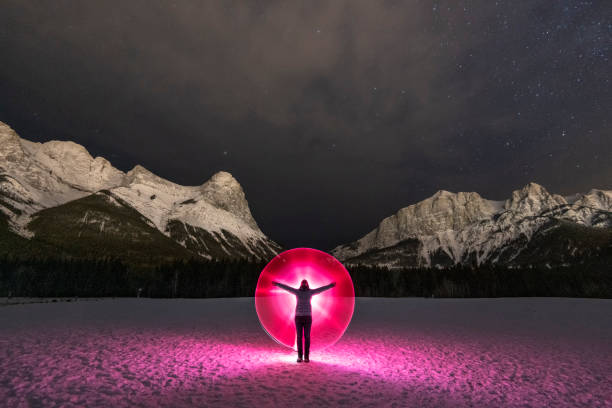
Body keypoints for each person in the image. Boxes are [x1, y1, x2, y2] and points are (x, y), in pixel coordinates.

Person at [272, 279, 336, 363]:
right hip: (298, 317)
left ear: (307, 284)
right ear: (301, 284)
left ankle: (306, 357)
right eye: (303, 283)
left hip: (307, 317)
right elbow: (287, 288)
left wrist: (330, 286)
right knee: (299, 337)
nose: (304, 284)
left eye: (305, 283)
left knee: (306, 337)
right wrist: (277, 284)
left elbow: (321, 289)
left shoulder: (310, 292)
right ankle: (299, 356)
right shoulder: (297, 292)